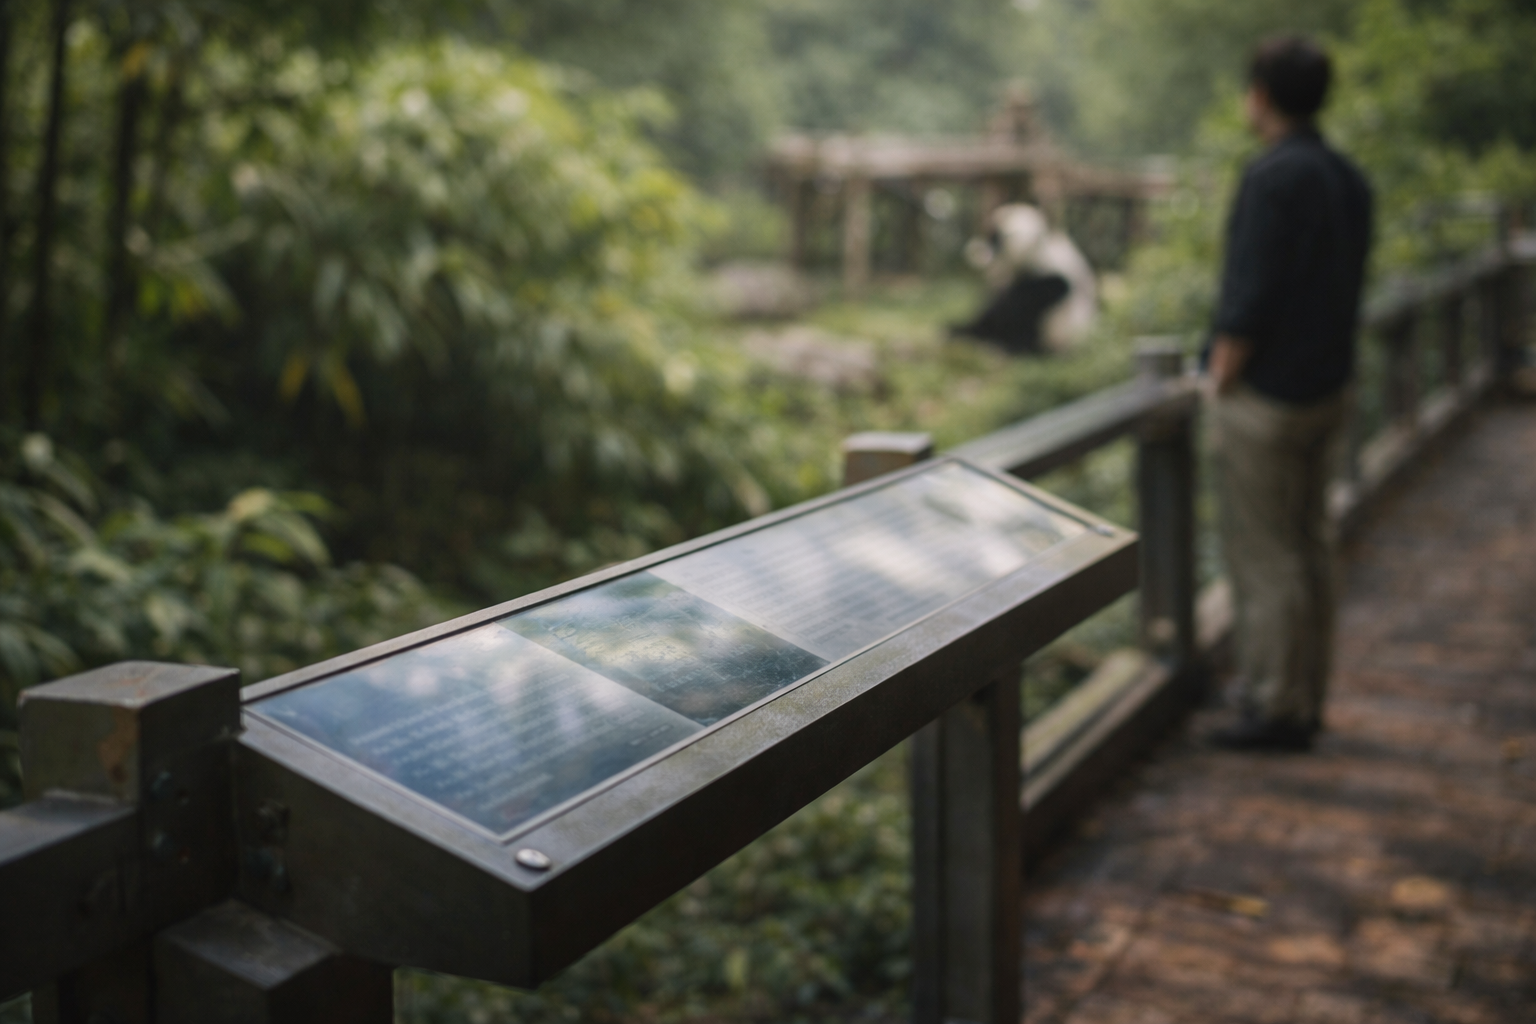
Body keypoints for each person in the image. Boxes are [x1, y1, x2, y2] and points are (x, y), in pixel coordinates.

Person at [1205, 35, 1373, 751]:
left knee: (1265, 555)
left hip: (1267, 399)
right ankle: (1304, 697)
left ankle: (1274, 707)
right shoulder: (1347, 176)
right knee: (1310, 547)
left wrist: (1218, 376)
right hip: (1328, 388)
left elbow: (1251, 295)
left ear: (1261, 96)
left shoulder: (1272, 176)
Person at [955, 203, 1097, 354]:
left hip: (1064, 330)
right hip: (1060, 321)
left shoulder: (1049, 266)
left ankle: (989, 338)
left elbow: (1016, 255)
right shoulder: (1050, 253)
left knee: (1015, 297)